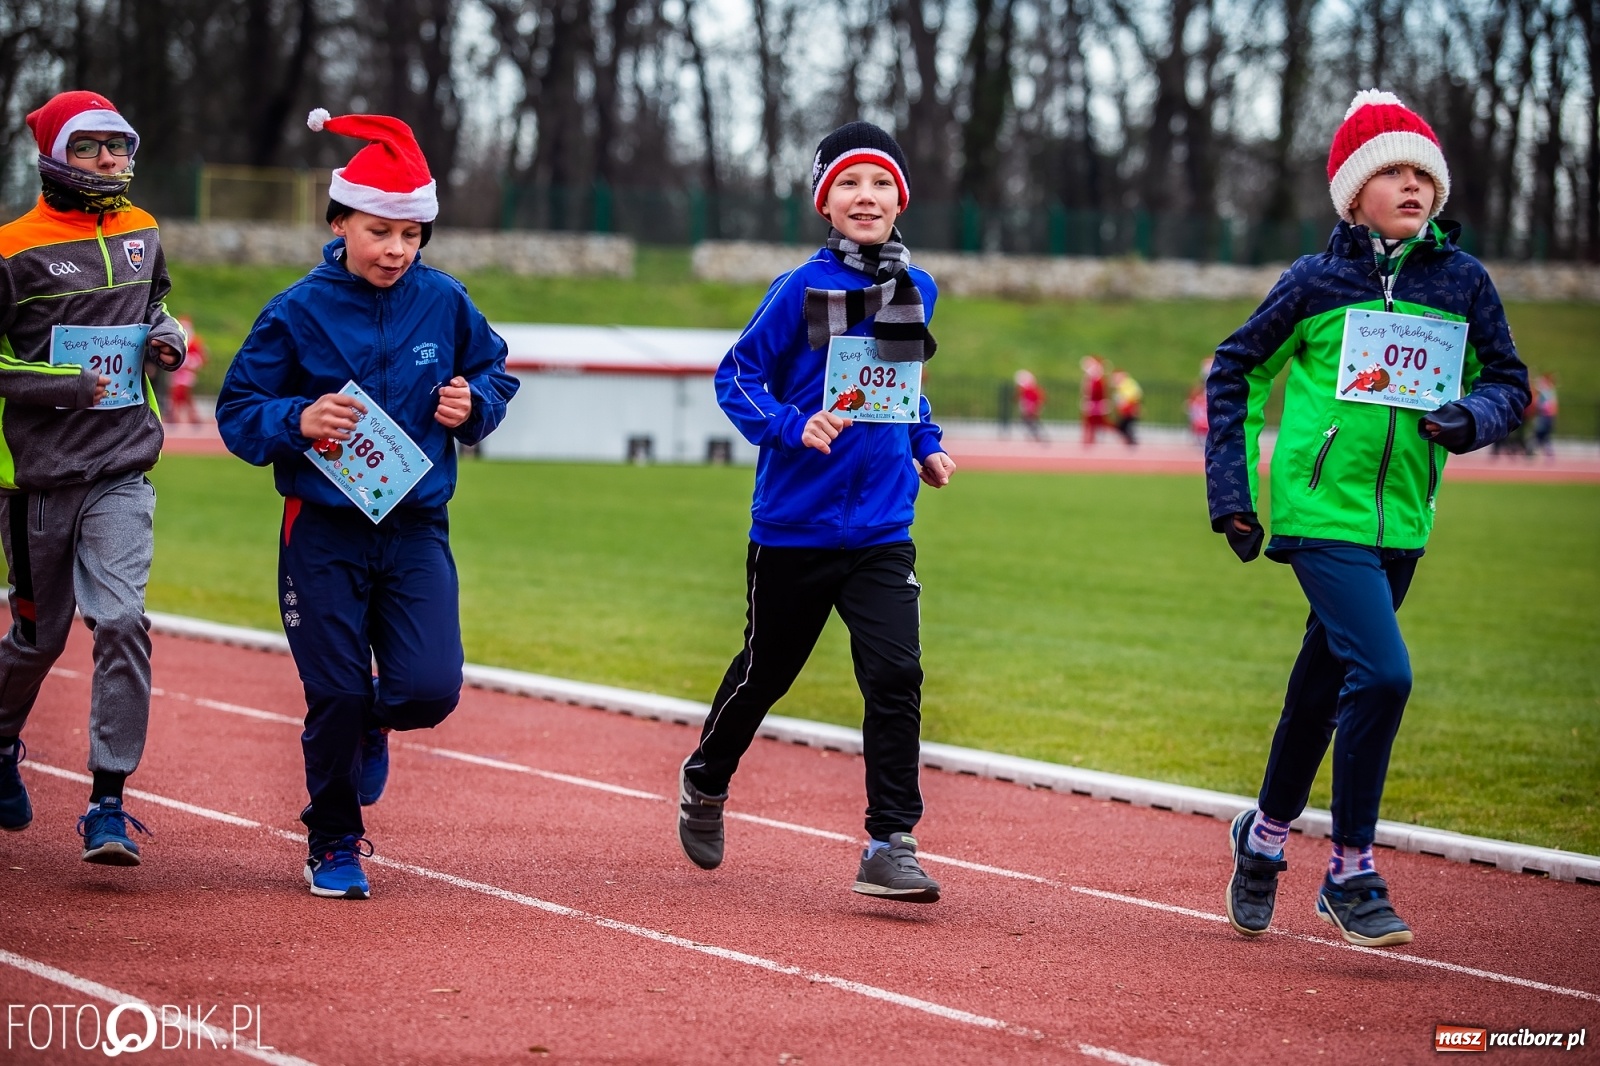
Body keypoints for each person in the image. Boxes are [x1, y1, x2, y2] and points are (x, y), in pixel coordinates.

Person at [1205, 91, 1528, 948]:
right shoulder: (1315, 283)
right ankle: (1350, 870)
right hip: (1320, 513)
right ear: (1353, 193)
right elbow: (1234, 370)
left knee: (1320, 687)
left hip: (1405, 522)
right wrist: (1233, 495)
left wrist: (1472, 419)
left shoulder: (1462, 283)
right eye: (1392, 170)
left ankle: (1263, 840)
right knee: (1383, 676)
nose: (1413, 185)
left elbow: (1511, 383)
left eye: (1424, 171)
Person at [216, 110, 519, 900]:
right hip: (322, 529)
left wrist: (473, 404)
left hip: (415, 525)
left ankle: (374, 726)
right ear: (340, 220)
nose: (396, 250)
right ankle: (334, 839)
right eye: (380, 231)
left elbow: (495, 373)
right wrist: (298, 420)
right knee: (337, 692)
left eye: (411, 235)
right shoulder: (295, 311)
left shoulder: (445, 301)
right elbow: (238, 411)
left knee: (428, 690)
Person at [676, 121, 956, 903]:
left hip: (880, 529)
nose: (865, 197)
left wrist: (925, 443)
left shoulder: (916, 287)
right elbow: (738, 376)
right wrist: (791, 425)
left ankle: (889, 840)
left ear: (900, 200)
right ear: (824, 203)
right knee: (767, 673)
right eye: (848, 186)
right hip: (794, 527)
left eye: (879, 185)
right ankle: (705, 778)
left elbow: (902, 384)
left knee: (896, 674)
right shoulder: (799, 290)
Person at [0, 90, 186, 865]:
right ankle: (2, 743)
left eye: (119, 146)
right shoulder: (12, 248)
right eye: (90, 148)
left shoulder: (143, 234)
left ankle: (108, 800)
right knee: (39, 640)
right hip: (38, 480)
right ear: (54, 155)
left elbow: (160, 309)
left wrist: (168, 339)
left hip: (121, 467)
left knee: (120, 621)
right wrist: (56, 381)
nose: (110, 161)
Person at [167, 316, 206, 424]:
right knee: (175, 394)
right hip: (176, 371)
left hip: (187, 372)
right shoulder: (175, 339)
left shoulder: (194, 341)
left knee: (183, 393)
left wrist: (189, 363)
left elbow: (201, 358)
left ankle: (186, 415)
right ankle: (178, 414)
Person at [1080, 355, 1110, 444]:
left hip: (1096, 402)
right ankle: (1089, 438)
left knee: (1099, 421)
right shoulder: (1091, 378)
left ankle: (1093, 438)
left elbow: (1098, 391)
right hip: (1092, 402)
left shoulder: (1098, 378)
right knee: (1090, 421)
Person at [1111, 369, 1143, 445]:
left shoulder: (1128, 384)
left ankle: (1131, 441)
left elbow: (1134, 396)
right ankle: (1130, 440)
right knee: (1124, 426)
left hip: (1130, 410)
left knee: (1124, 425)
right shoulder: (1122, 385)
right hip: (1125, 411)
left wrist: (1124, 401)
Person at [1014, 369, 1046, 441]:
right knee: (1029, 420)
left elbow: (1036, 398)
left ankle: (1036, 434)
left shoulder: (1030, 389)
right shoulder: (1030, 389)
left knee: (1030, 420)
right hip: (1029, 404)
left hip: (1030, 405)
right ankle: (1036, 434)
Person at [1532, 372, 1558, 458]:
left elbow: (1545, 405)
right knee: (1542, 435)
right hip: (1546, 416)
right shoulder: (1548, 391)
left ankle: (1533, 451)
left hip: (1545, 416)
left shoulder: (1547, 392)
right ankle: (1537, 451)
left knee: (1540, 434)